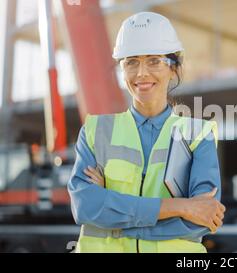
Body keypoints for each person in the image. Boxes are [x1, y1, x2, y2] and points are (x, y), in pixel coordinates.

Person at [67, 12, 225, 253]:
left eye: (153, 60)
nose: (141, 73)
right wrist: (180, 206)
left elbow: (199, 221)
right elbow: (85, 207)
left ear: (174, 68)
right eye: (131, 62)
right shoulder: (95, 132)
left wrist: (114, 215)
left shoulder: (198, 135)